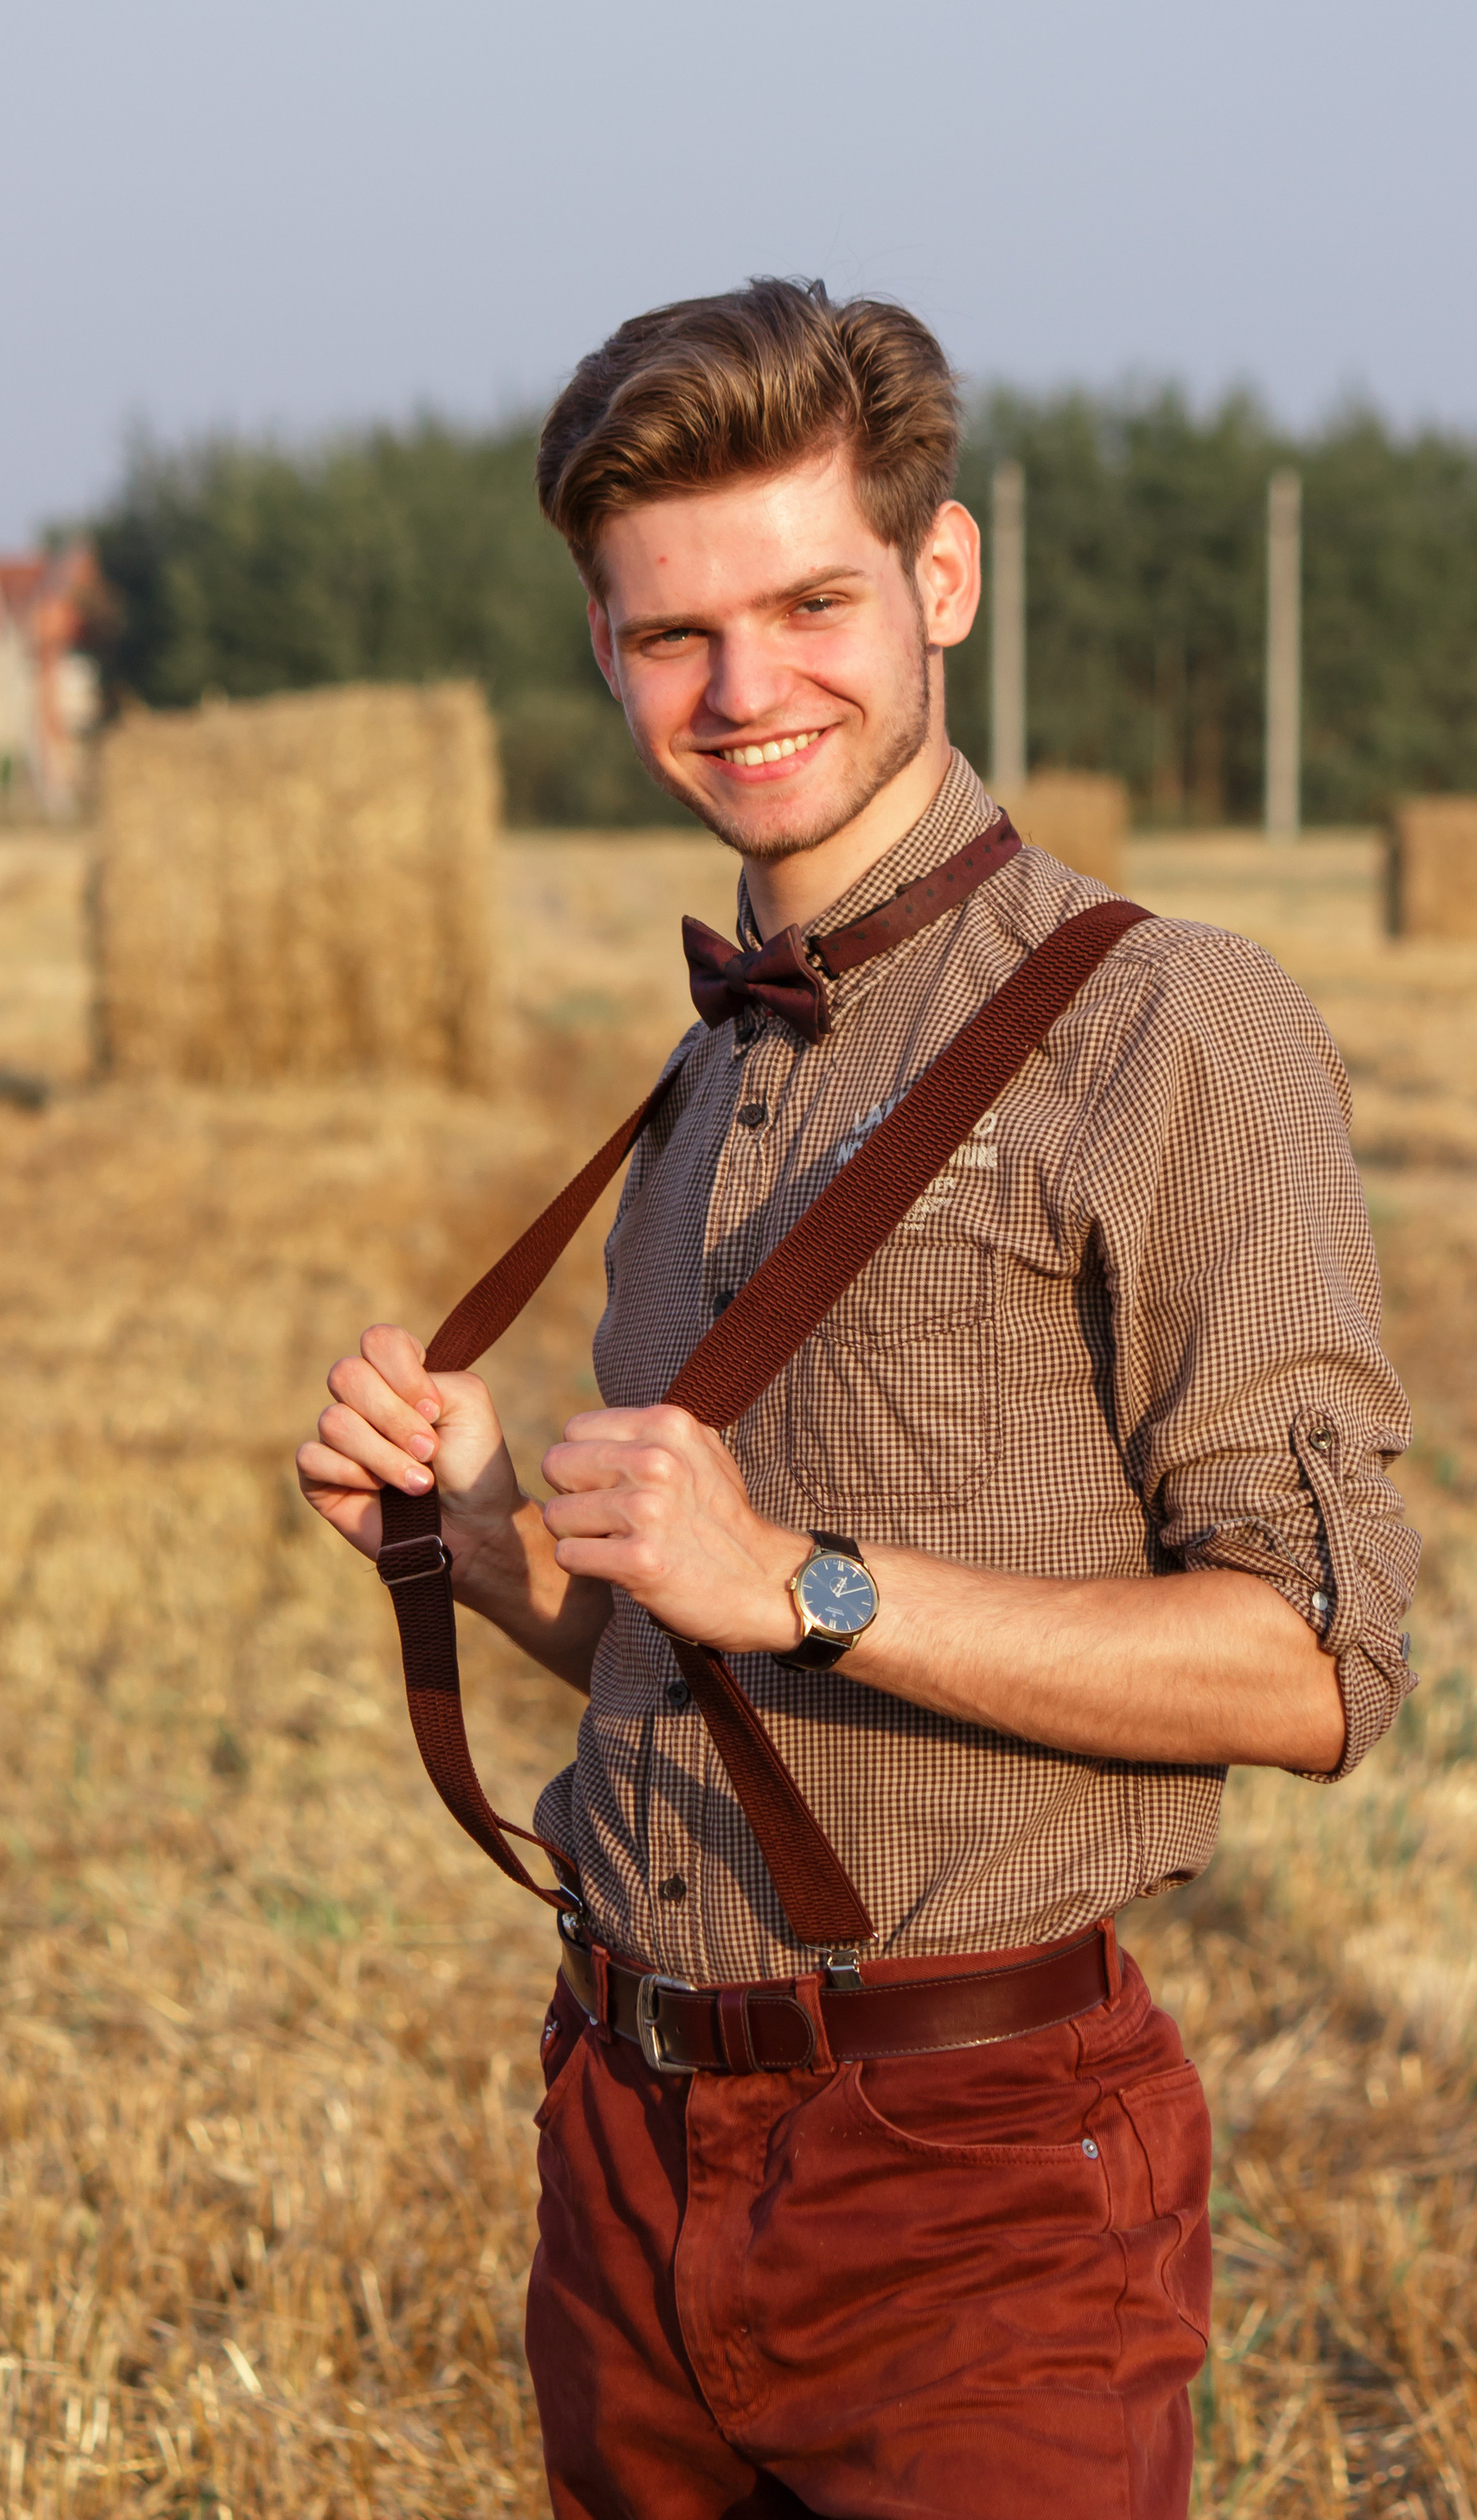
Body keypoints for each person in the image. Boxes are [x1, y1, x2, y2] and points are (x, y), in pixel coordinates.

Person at [297, 278, 1417, 2520]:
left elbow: (1318, 1664)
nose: (744, 688)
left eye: (810, 600)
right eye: (667, 634)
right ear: (606, 652)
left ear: (944, 578)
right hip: (625, 2136)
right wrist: (485, 1527)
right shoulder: (707, 1072)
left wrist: (798, 1577)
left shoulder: (1166, 1027)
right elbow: (679, 1634)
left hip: (981, 2183)